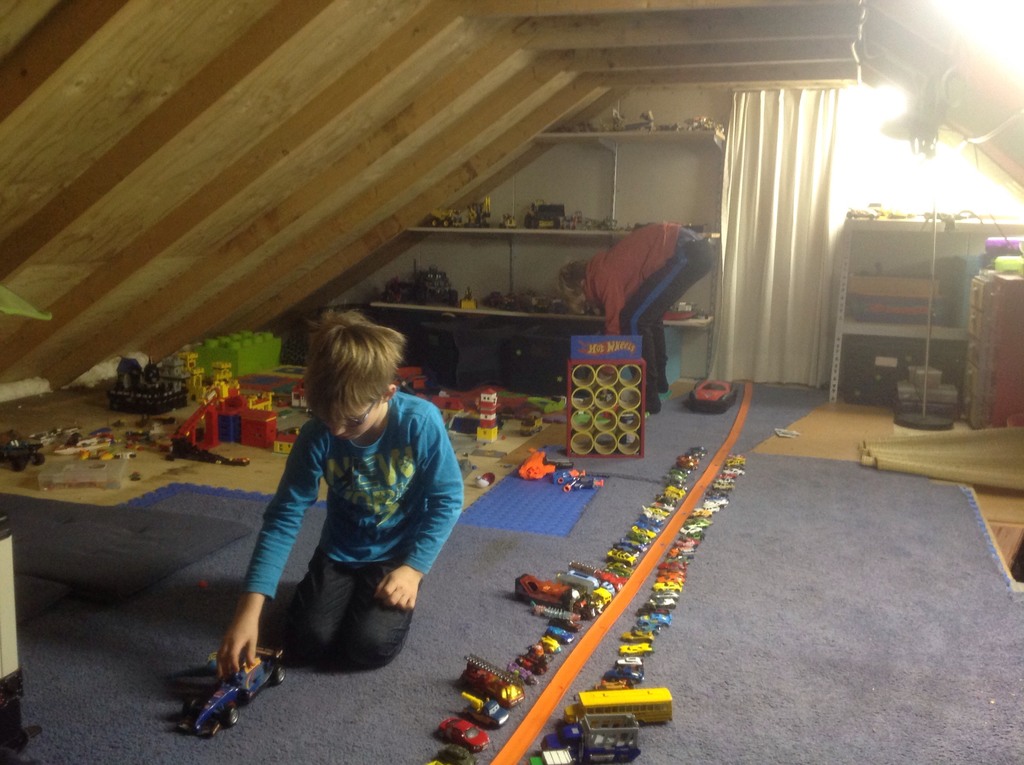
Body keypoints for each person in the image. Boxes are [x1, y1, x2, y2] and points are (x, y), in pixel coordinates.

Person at [217, 310, 464, 676]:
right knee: (304, 643)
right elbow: (284, 517)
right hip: (340, 550)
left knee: (368, 648)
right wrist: (248, 610)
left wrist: (413, 570)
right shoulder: (318, 434)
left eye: (350, 420)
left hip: (396, 554)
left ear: (387, 393)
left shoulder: (420, 422)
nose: (335, 430)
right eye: (324, 416)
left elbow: (448, 499)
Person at [558, 222, 715, 414]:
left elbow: (614, 326)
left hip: (687, 251)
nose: (588, 303)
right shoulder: (604, 266)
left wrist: (607, 373)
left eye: (582, 299)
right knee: (648, 316)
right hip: (694, 249)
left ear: (581, 283)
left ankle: (648, 398)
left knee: (634, 321)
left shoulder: (601, 275)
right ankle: (659, 386)